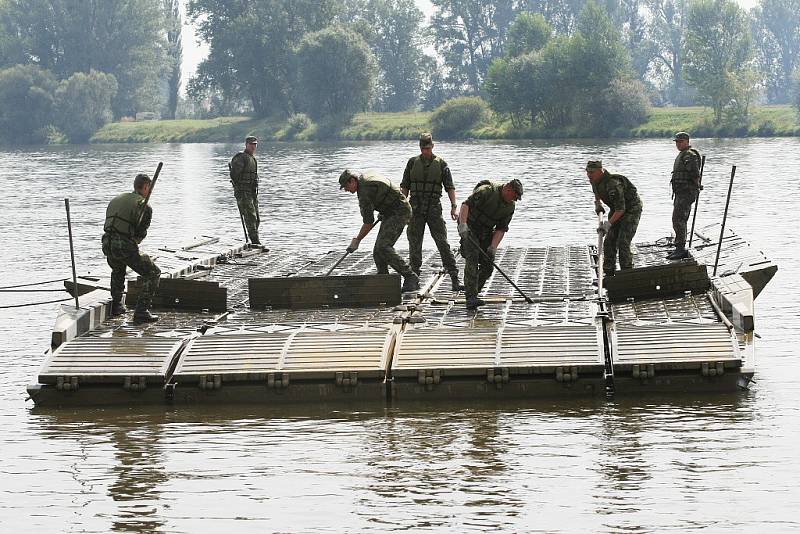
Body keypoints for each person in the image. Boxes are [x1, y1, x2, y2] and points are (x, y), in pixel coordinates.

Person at [339, 169, 420, 293]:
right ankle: (383, 278)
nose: (346, 190)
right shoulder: (365, 179)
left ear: (352, 180)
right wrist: (383, 208)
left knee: (384, 246)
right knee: (377, 250)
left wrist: (357, 240)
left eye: (346, 186)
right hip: (391, 210)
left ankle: (410, 277)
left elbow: (368, 222)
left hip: (399, 212)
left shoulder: (364, 191)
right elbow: (384, 192)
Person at [401, 133, 462, 291]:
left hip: (434, 208)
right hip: (415, 208)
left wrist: (454, 206)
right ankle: (413, 279)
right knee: (414, 244)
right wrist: (402, 206)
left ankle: (455, 278)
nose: (425, 151)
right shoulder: (412, 163)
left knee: (442, 243)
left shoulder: (441, 164)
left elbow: (450, 187)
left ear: (432, 146)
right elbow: (405, 186)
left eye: (427, 148)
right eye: (422, 148)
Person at [102, 173, 161, 323]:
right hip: (123, 245)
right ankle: (141, 311)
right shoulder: (144, 205)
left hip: (107, 244)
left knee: (118, 270)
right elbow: (140, 235)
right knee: (153, 273)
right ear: (146, 187)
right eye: (150, 188)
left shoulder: (118, 198)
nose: (151, 192)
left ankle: (116, 306)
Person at [457, 179, 523, 310]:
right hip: (469, 226)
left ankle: (473, 289)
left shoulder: (510, 207)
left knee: (488, 263)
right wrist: (463, 226)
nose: (514, 200)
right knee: (473, 257)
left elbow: (501, 228)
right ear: (508, 189)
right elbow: (465, 205)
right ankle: (471, 297)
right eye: (514, 197)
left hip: (486, 231)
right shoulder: (486, 191)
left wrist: (492, 248)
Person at [587, 160, 643, 278]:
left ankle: (627, 272)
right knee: (609, 241)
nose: (589, 175)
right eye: (587, 172)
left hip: (631, 209)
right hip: (616, 209)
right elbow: (597, 195)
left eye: (592, 172)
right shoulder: (594, 181)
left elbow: (621, 210)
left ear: (600, 171)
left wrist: (607, 225)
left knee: (623, 241)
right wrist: (598, 205)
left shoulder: (613, 184)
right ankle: (608, 271)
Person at [668, 131, 702, 260]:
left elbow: (694, 173)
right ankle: (679, 247)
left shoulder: (689, 154)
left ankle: (680, 248)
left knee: (678, 219)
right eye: (677, 142)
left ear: (687, 142)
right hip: (681, 192)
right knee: (679, 219)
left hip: (686, 192)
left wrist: (697, 185)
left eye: (681, 142)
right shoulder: (683, 154)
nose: (678, 144)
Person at [229, 135, 261, 245]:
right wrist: (239, 187)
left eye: (255, 144)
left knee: (256, 218)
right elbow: (234, 175)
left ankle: (254, 240)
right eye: (251, 144)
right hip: (243, 192)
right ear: (246, 145)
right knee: (250, 217)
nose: (253, 146)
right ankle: (255, 241)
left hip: (252, 192)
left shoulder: (253, 159)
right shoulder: (241, 157)